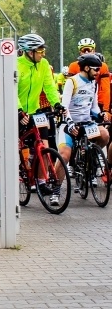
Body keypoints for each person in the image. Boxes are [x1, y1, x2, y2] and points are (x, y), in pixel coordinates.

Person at [58, 52, 111, 200]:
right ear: (86, 68)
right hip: (70, 124)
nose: (98, 72)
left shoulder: (93, 83)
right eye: (96, 69)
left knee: (105, 135)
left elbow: (94, 108)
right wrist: (69, 122)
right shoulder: (72, 82)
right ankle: (55, 189)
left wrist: (100, 114)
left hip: (86, 124)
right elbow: (64, 106)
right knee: (64, 155)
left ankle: (91, 161)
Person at [17, 33, 62, 196]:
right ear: (29, 52)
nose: (43, 53)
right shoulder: (16, 65)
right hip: (16, 111)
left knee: (43, 145)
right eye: (40, 50)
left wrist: (57, 103)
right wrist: (18, 110)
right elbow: (9, 90)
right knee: (10, 150)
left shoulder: (43, 64)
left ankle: (42, 181)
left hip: (36, 112)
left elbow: (49, 87)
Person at [68, 38, 110, 112]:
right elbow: (69, 89)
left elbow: (105, 89)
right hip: (79, 102)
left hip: (97, 100)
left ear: (93, 51)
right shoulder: (73, 66)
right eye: (84, 50)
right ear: (80, 52)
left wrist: (105, 109)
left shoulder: (102, 66)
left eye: (89, 49)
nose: (87, 52)